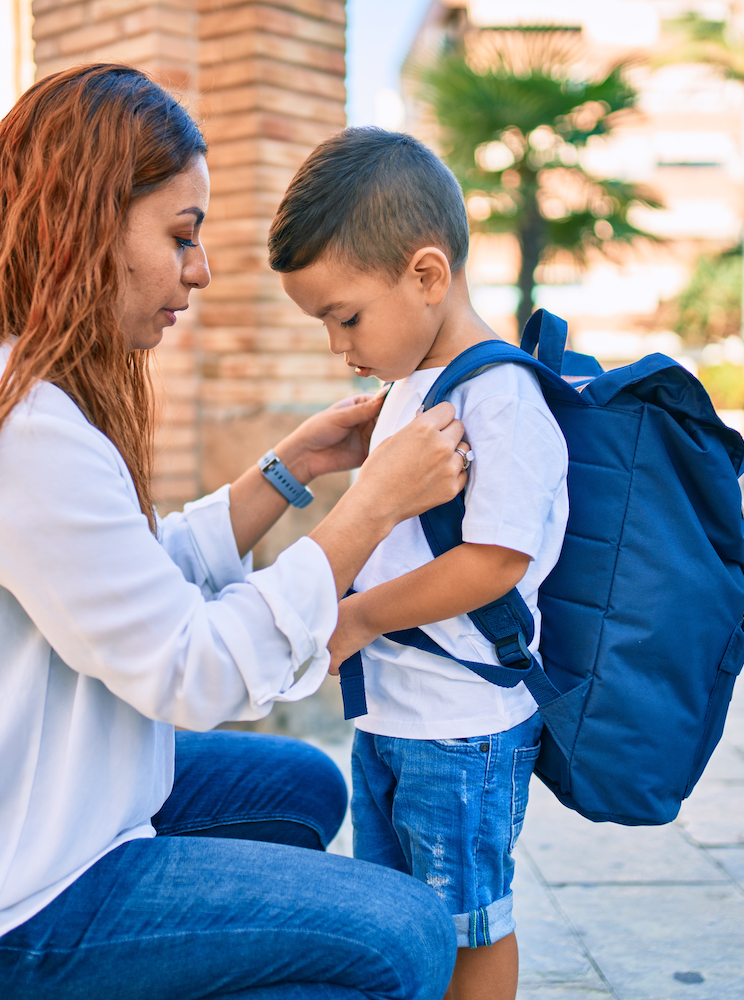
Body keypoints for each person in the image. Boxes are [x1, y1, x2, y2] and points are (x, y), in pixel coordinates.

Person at [0, 65, 470, 999]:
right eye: (180, 235)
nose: (199, 270)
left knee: (299, 790)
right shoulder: (14, 430)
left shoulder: (3, 393)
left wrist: (288, 470)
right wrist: (371, 509)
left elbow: (127, 586)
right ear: (83, 224)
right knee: (402, 936)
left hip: (26, 815)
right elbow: (192, 670)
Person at [268, 128, 570, 1000]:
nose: (338, 345)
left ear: (427, 276)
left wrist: (357, 618)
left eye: (345, 316)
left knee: (473, 924)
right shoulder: (410, 389)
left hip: (465, 724)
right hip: (398, 717)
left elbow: (494, 564)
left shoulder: (501, 397)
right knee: (402, 917)